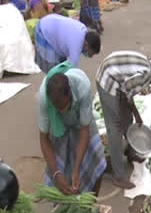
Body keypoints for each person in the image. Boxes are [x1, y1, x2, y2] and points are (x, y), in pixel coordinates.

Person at [95, 52, 151, 189]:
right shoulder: (145, 76)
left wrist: (134, 114)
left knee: (127, 117)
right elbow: (127, 91)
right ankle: (119, 177)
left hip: (114, 77)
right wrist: (135, 111)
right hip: (107, 81)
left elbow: (126, 92)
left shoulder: (147, 62)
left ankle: (130, 152)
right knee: (115, 127)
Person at [38, 63, 108, 196]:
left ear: (70, 92)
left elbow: (84, 130)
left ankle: (91, 202)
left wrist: (76, 170)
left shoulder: (83, 87)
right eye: (58, 108)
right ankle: (63, 207)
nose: (62, 111)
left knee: (97, 160)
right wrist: (56, 174)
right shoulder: (44, 98)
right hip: (59, 126)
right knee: (60, 167)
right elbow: (44, 138)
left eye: (65, 106)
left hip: (80, 122)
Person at [34, 13, 102, 73]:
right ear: (87, 45)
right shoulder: (76, 45)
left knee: (62, 66)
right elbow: (73, 71)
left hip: (51, 22)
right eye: (92, 53)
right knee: (53, 70)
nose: (91, 56)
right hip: (44, 30)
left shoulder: (84, 32)